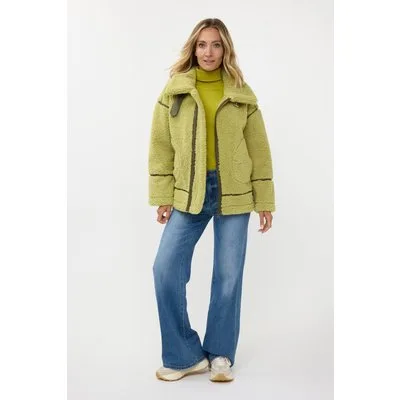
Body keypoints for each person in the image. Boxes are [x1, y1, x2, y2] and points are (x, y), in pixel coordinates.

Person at [148, 18, 275, 382]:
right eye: (202, 44)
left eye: (216, 45)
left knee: (228, 275)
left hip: (235, 191)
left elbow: (259, 149)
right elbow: (161, 146)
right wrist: (163, 195)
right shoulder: (175, 90)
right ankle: (184, 355)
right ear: (193, 48)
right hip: (190, 191)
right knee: (165, 268)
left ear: (225, 50)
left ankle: (220, 353)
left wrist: (264, 200)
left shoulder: (240, 92)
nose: (208, 52)